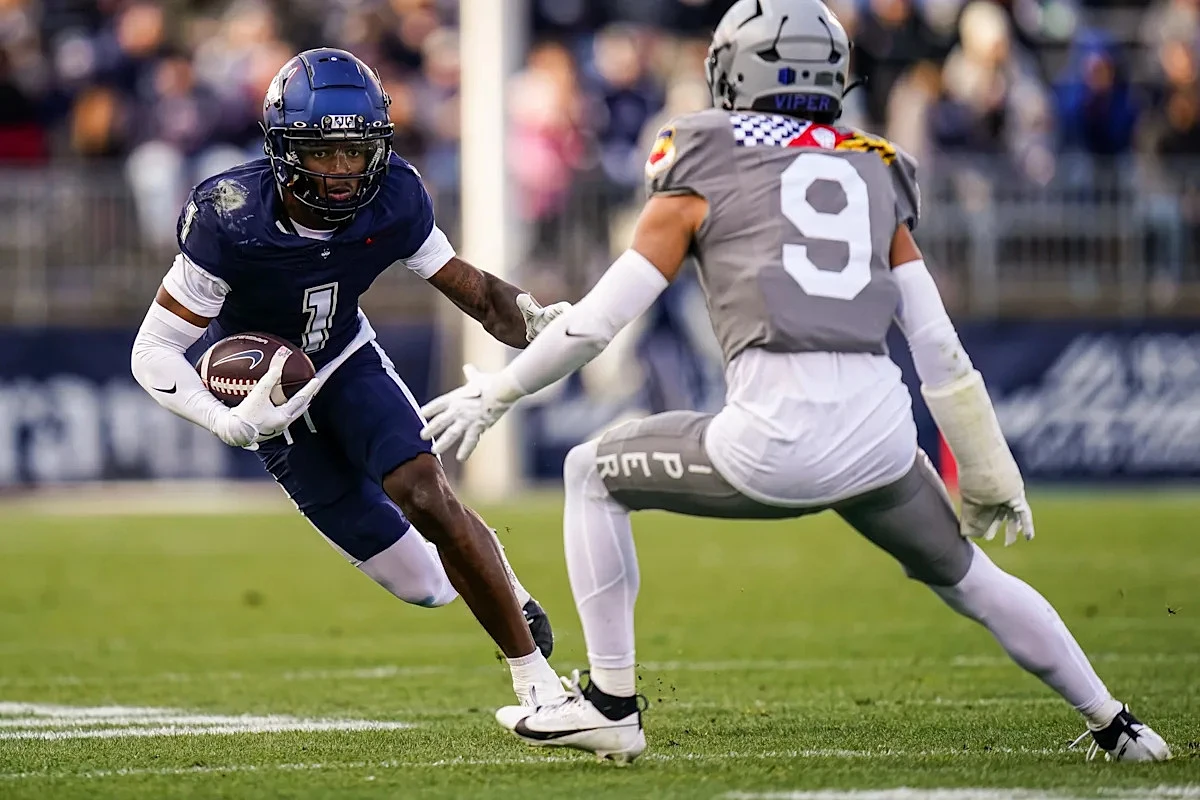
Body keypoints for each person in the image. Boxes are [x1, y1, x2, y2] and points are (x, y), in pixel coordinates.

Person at [418, 0, 1172, 764]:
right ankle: (1119, 725)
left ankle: (612, 704)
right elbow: (937, 344)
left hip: (774, 436)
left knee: (591, 472)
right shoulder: (872, 164)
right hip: (880, 435)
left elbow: (594, 325)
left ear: (736, 70)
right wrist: (985, 463)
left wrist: (499, 392)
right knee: (969, 575)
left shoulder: (702, 156)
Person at [130, 47, 570, 707]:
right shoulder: (230, 214)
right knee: (423, 584)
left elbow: (474, 291)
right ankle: (486, 571)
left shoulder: (394, 196)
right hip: (270, 396)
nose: (342, 170)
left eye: (356, 151)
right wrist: (226, 421)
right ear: (283, 148)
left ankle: (536, 682)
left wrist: (539, 323)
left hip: (344, 360)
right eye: (322, 152)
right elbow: (154, 348)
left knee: (424, 491)